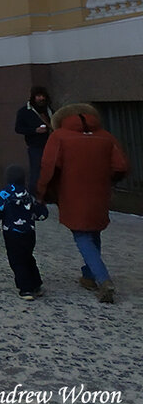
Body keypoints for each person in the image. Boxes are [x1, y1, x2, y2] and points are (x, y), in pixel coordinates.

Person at [36, 103, 130, 303]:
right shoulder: (106, 136)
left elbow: (49, 168)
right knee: (93, 231)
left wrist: (42, 193)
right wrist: (106, 179)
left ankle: (103, 280)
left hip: (72, 193)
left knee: (81, 234)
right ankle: (89, 276)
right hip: (100, 192)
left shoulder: (59, 137)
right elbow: (121, 165)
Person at [0, 164, 49, 300]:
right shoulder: (29, 194)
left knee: (17, 260)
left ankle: (25, 288)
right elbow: (41, 214)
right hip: (29, 233)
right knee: (28, 257)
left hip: (12, 233)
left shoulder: (5, 193)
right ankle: (36, 284)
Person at [15, 86, 53, 195]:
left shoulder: (49, 110)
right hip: (35, 146)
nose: (41, 98)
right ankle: (34, 196)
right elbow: (18, 129)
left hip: (51, 145)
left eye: (43, 96)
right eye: (38, 96)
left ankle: (48, 195)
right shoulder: (24, 112)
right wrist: (35, 130)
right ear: (33, 97)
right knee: (36, 172)